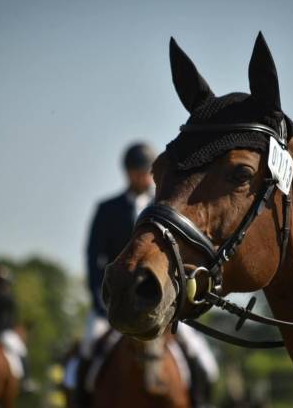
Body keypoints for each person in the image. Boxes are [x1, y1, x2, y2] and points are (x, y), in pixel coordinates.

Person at [66, 142, 218, 406]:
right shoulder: (107, 209)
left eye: (145, 171)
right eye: (136, 170)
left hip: (163, 304)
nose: (141, 176)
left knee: (204, 361)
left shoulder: (169, 208)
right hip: (114, 303)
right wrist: (102, 301)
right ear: (126, 173)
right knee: (82, 359)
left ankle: (199, 401)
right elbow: (93, 259)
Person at [0, 267, 30, 387]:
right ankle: (26, 381)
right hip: (3, 333)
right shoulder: (8, 297)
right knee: (22, 351)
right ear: (6, 282)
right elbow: (11, 317)